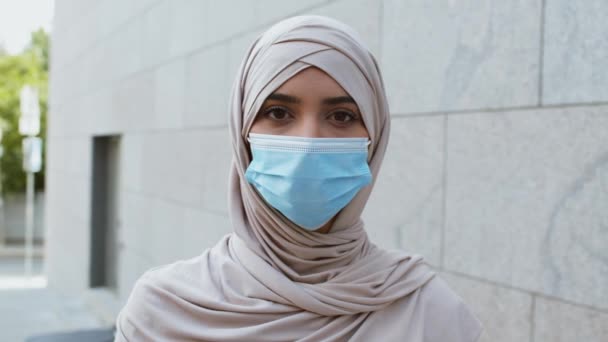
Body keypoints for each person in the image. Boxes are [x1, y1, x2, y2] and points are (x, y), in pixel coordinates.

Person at [114, 15, 482, 341]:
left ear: (375, 138)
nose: (308, 143)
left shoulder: (433, 316)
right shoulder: (161, 313)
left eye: (340, 116)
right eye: (278, 112)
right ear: (241, 133)